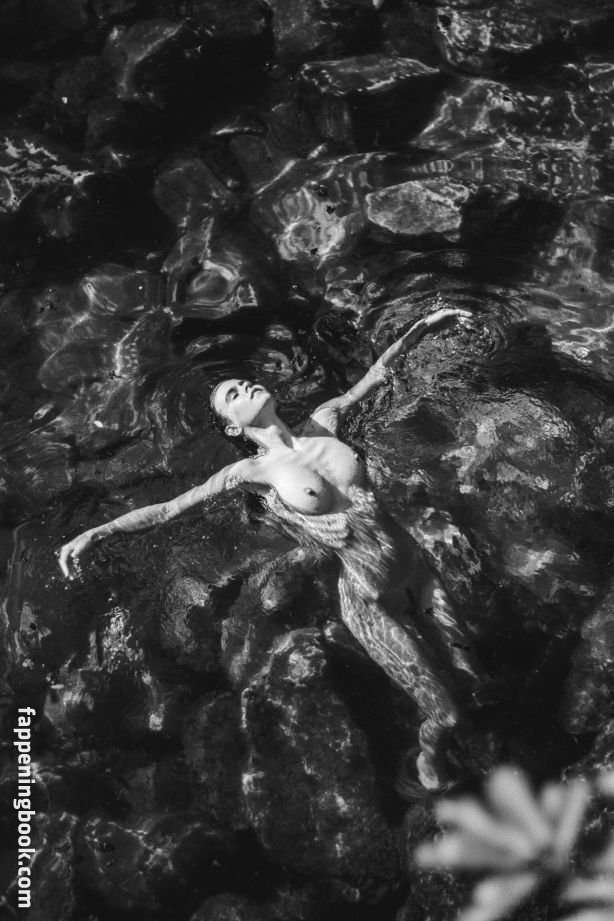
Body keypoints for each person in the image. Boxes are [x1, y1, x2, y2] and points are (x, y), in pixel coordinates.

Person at [59, 307, 480, 788]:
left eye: (243, 383)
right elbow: (170, 509)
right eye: (232, 395)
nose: (244, 387)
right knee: (445, 714)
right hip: (371, 598)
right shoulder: (251, 473)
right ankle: (427, 764)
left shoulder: (325, 420)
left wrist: (423, 326)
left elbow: (378, 374)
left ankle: (466, 744)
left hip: (417, 571)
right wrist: (97, 532)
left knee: (471, 680)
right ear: (233, 428)